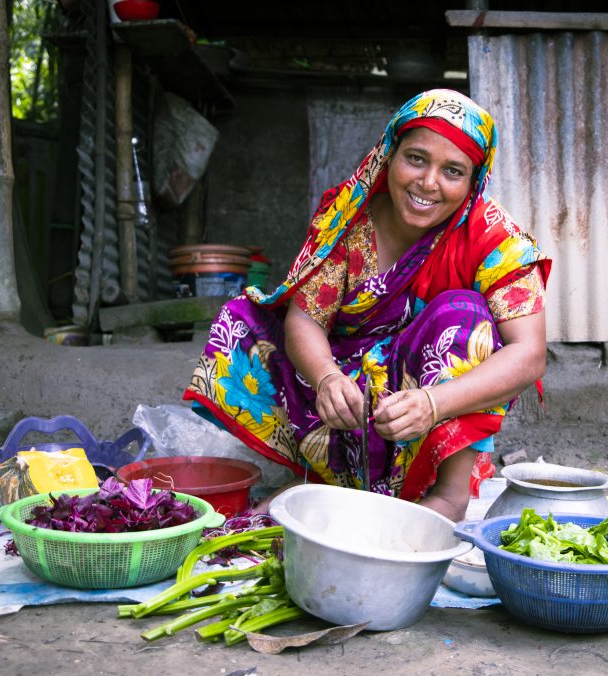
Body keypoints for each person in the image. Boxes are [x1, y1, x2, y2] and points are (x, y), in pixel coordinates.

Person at [183, 89, 550, 521]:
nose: (428, 182)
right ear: (389, 155)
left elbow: (529, 354)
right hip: (350, 399)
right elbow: (305, 318)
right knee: (243, 322)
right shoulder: (348, 218)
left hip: (431, 396)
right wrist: (325, 378)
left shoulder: (495, 239)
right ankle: (327, 478)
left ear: (474, 180)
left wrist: (434, 403)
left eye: (452, 171)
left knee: (463, 315)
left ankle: (447, 494)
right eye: (415, 159)